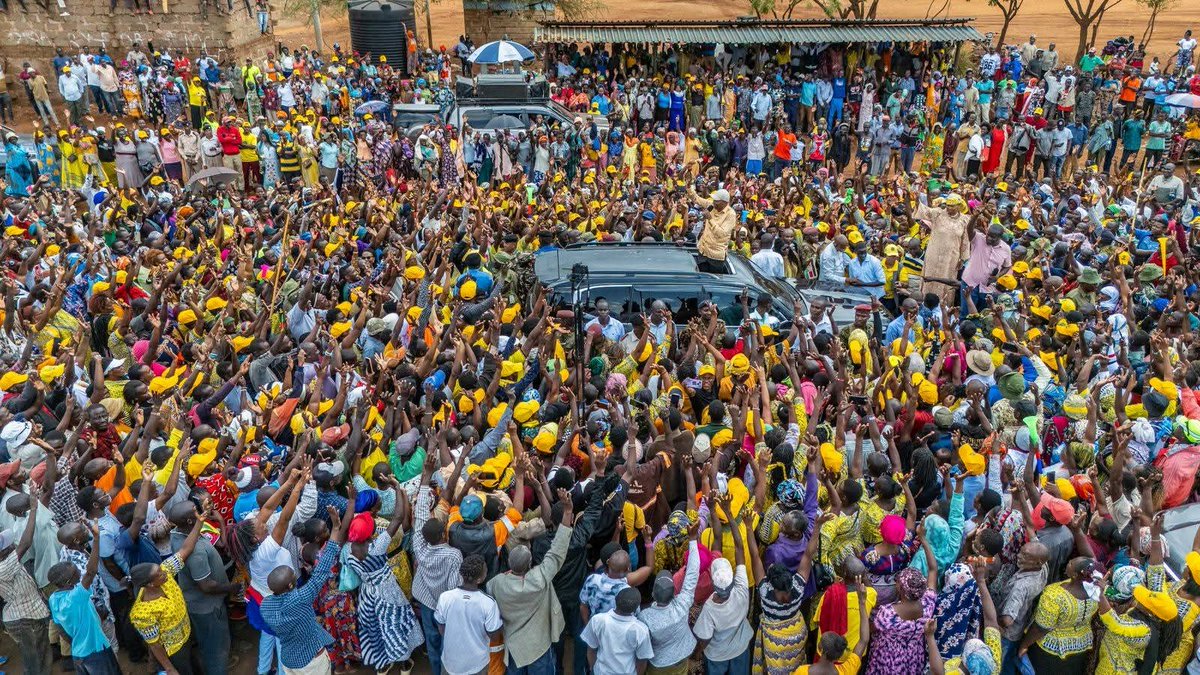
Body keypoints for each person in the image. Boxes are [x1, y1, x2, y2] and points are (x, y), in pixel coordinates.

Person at [436, 554, 504, 675]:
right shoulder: (488, 603)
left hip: (450, 662)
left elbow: (442, 628)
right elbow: (494, 636)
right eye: (486, 571)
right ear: (480, 579)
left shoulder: (445, 597)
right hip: (477, 664)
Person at [581, 586, 654, 675]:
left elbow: (591, 649)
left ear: (615, 600)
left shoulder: (597, 620)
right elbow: (642, 661)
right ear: (636, 609)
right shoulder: (640, 630)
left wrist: (593, 668)